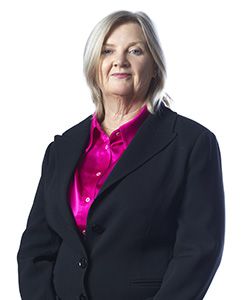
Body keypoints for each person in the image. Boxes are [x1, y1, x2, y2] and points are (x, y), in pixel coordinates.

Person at [17, 10, 225, 300]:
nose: (120, 61)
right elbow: (35, 250)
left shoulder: (192, 144)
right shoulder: (62, 149)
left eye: (135, 51)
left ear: (154, 66)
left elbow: (198, 251)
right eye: (107, 51)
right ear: (95, 66)